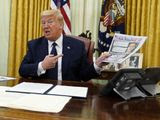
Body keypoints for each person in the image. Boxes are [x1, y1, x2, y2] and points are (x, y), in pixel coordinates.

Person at [19, 9, 109, 81]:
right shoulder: (34, 45)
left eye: (50, 22)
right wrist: (42, 66)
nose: (45, 26)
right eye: (43, 23)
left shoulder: (77, 46)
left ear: (61, 25)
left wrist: (97, 64)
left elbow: (84, 75)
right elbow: (22, 70)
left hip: (68, 92)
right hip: (42, 94)